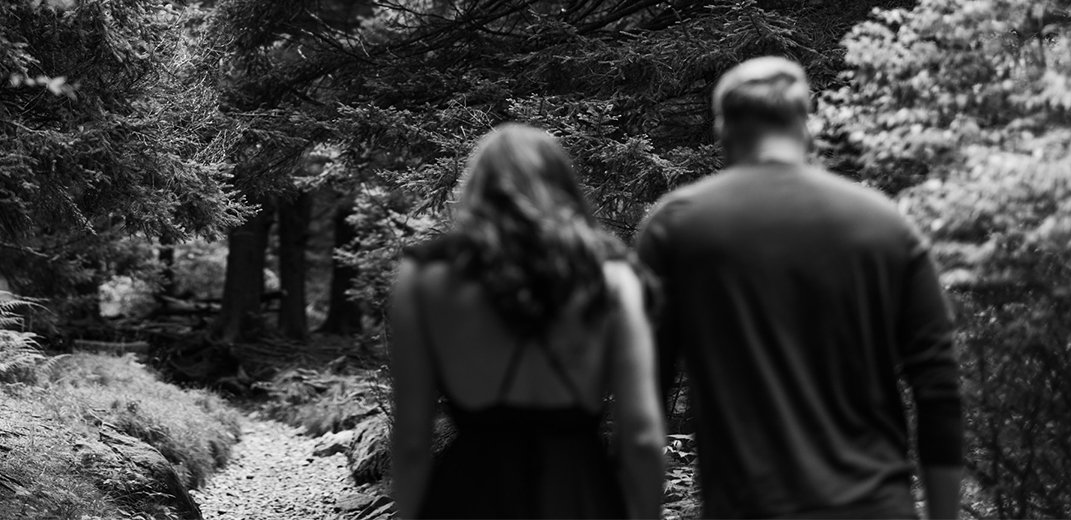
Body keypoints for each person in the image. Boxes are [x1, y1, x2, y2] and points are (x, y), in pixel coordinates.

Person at [635, 56, 964, 520]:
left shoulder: (677, 228)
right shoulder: (885, 225)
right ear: (806, 128)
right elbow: (939, 388)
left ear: (724, 131)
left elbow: (643, 398)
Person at [387, 124, 666, 519]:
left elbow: (412, 441)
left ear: (477, 189)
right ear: (562, 185)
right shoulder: (613, 277)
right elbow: (640, 436)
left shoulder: (426, 278)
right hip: (579, 495)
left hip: (469, 496)